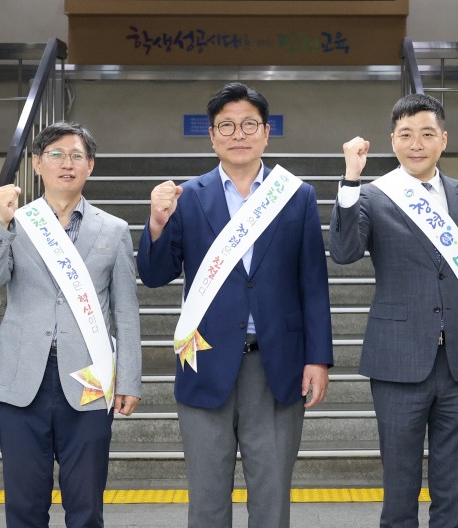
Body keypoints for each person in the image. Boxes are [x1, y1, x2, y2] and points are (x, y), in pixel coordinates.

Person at [136, 82, 333, 528]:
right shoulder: (188, 196)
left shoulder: (296, 195)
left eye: (249, 125)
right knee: (207, 502)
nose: (238, 134)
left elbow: (313, 283)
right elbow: (155, 275)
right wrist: (157, 223)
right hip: (205, 363)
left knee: (271, 500)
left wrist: (318, 359)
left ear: (266, 133)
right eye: (226, 126)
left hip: (277, 365)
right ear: (212, 136)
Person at [333, 93, 458, 528]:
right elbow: (344, 251)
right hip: (397, 361)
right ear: (392, 140)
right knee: (399, 488)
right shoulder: (373, 196)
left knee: (455, 490)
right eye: (406, 135)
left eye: (427, 134)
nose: (417, 144)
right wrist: (351, 179)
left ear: (443, 139)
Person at [0, 122, 142, 528]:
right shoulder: (17, 221)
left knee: (86, 505)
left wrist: (130, 381)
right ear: (37, 163)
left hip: (88, 380)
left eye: (76, 156)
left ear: (90, 166)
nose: (67, 163)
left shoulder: (114, 229)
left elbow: (126, 310)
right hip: (21, 379)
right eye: (56, 155)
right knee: (24, 506)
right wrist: (1, 223)